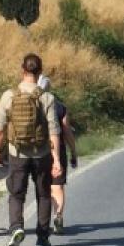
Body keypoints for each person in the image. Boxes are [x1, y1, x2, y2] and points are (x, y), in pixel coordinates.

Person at [0, 52, 62, 246]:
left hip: (18, 153)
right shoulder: (47, 97)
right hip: (41, 154)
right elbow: (54, 131)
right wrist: (56, 159)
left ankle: (16, 228)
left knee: (16, 194)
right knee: (43, 194)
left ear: (22, 70)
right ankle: (42, 238)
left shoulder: (9, 96)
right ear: (40, 71)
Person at [37, 73, 80, 233]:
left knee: (42, 188)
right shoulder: (60, 106)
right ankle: (58, 216)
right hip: (58, 148)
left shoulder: (29, 104)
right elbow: (67, 131)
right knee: (57, 186)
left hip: (37, 151)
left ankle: (43, 223)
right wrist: (73, 152)